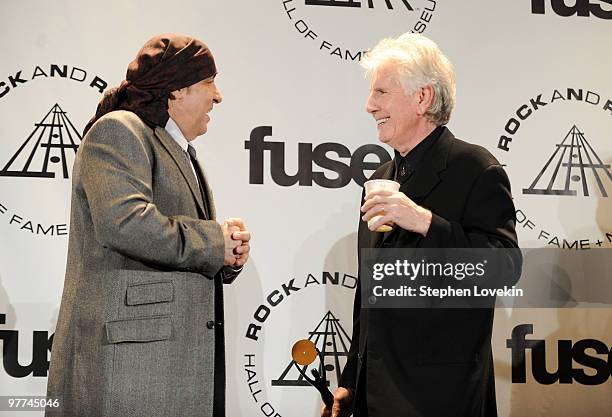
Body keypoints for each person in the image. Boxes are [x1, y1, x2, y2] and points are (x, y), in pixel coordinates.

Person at [46, 34, 250, 417]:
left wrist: (227, 254)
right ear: (177, 91)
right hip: (131, 371)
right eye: (209, 83)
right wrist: (212, 242)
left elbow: (177, 247)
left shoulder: (181, 152)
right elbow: (125, 223)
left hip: (171, 366)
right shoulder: (119, 130)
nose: (217, 96)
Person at [322, 33, 520, 417]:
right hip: (372, 396)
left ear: (422, 97)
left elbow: (504, 269)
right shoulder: (381, 176)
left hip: (439, 398)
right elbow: (369, 295)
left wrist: (425, 221)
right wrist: (350, 380)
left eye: (381, 92)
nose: (369, 105)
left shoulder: (474, 168)